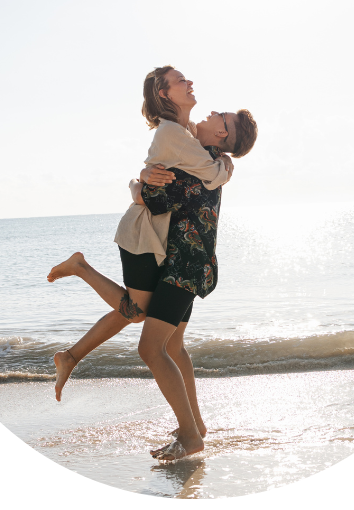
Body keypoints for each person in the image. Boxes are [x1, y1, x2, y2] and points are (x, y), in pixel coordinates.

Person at [47, 67, 258, 460]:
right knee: (165, 341)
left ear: (223, 136)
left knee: (152, 342)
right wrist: (143, 181)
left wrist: (219, 167)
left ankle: (192, 432)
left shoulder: (197, 144)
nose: (207, 107)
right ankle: (192, 427)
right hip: (169, 251)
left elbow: (177, 186)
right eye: (180, 80)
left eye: (221, 118)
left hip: (184, 262)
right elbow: (157, 195)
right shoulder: (185, 142)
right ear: (164, 93)